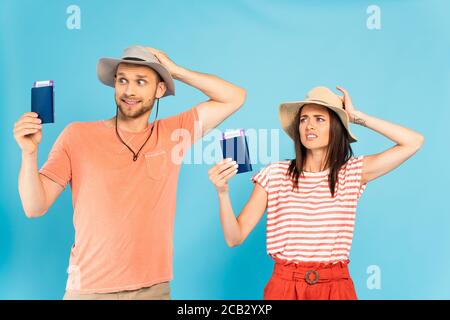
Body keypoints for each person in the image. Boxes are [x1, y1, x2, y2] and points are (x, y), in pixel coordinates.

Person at [14, 45, 246, 300]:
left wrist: (176, 72)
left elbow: (234, 97)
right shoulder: (77, 135)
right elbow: (34, 207)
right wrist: (29, 153)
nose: (129, 90)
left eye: (141, 81)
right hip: (89, 290)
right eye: (123, 80)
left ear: (159, 90)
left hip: (153, 290)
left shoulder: (174, 133)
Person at [208, 86, 424, 300]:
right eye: (304, 119)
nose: (309, 125)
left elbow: (413, 142)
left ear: (336, 127)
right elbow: (234, 238)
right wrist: (222, 192)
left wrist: (356, 117)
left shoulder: (351, 172)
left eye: (319, 119)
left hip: (335, 287)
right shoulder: (275, 174)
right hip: (285, 287)